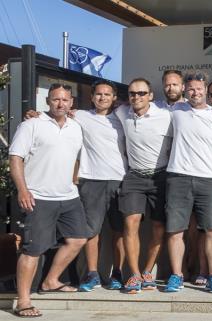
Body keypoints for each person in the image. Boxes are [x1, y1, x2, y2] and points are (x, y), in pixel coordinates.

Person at [9, 84, 89, 318]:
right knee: (32, 249)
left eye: (65, 100)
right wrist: (23, 190)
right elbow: (16, 159)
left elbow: (75, 157)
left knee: (77, 240)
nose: (60, 104)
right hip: (38, 197)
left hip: (69, 197)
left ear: (71, 102)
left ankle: (51, 280)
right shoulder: (31, 125)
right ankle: (23, 300)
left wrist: (73, 179)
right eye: (55, 99)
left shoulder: (76, 127)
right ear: (48, 101)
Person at [163, 71, 212, 294]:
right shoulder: (175, 111)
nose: (195, 92)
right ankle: (177, 275)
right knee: (176, 231)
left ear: (206, 90)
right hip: (177, 178)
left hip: (209, 180)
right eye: (191, 88)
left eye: (199, 88)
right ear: (185, 89)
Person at [115, 78, 171, 294]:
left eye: (141, 93)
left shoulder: (166, 115)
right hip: (134, 177)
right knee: (131, 223)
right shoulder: (122, 113)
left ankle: (148, 271)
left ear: (150, 95)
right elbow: (96, 113)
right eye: (132, 93)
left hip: (161, 177)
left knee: (159, 227)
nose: (136, 97)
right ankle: (135, 275)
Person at [74, 80, 127, 292]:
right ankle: (92, 274)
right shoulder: (81, 116)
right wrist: (33, 113)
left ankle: (118, 273)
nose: (102, 98)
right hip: (91, 181)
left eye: (107, 94)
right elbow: (53, 113)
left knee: (119, 231)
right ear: (92, 96)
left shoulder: (123, 118)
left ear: (114, 98)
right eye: (98, 94)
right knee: (91, 231)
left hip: (120, 180)